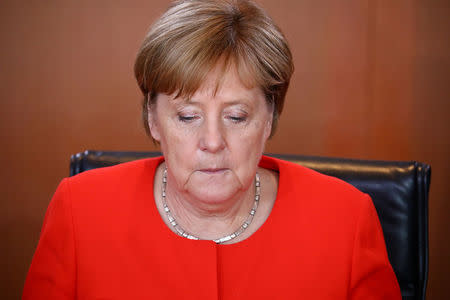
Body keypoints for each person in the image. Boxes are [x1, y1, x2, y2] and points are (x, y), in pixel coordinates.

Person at [23, 0, 401, 299]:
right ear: (154, 121)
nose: (213, 142)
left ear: (269, 119)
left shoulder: (346, 220)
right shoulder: (79, 211)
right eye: (187, 116)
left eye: (236, 117)